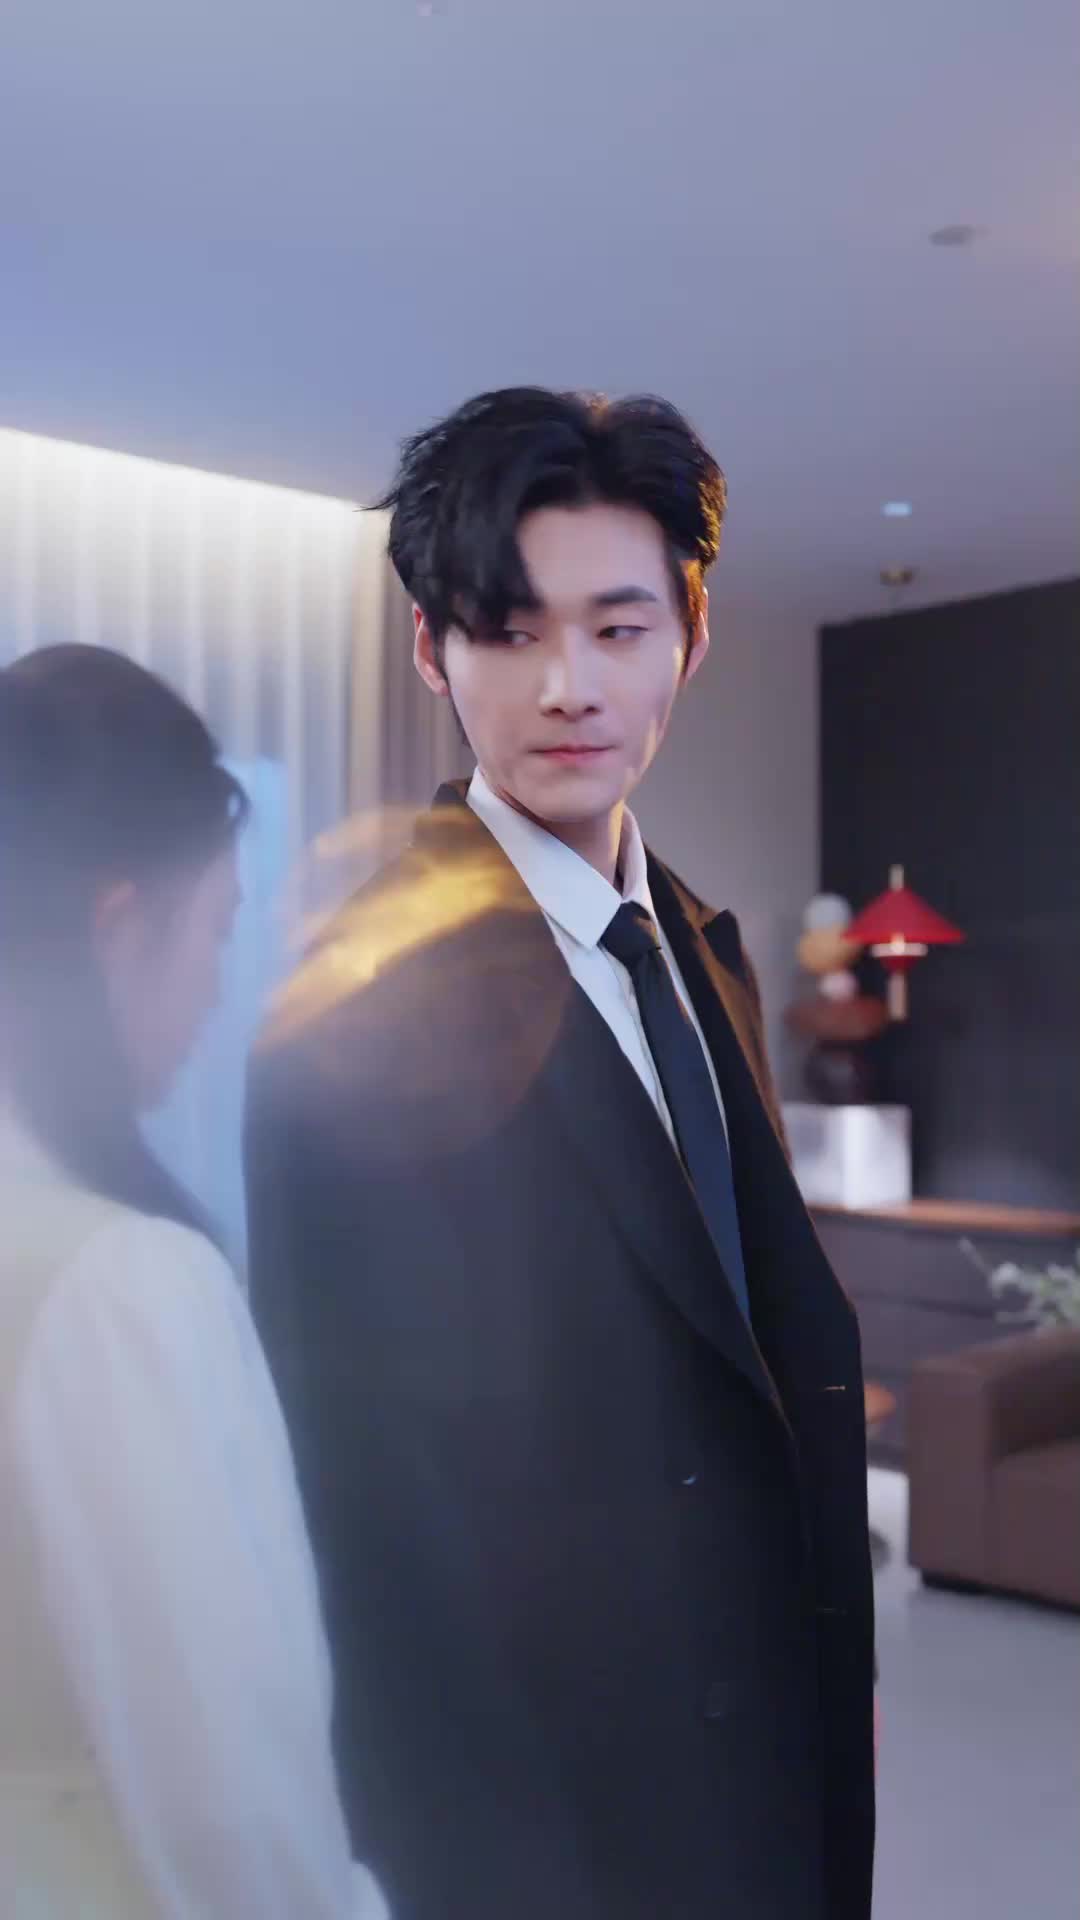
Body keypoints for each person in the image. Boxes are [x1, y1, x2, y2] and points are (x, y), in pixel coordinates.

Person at [246, 389, 876, 1920]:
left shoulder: (707, 946)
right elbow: (357, 1508)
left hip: (774, 1774)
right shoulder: (358, 999)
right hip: (558, 1824)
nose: (567, 687)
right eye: (507, 631)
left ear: (692, 635)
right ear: (431, 650)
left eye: (616, 628)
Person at [0, 646, 387, 1918]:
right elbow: (235, 1804)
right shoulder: (121, 1287)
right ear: (118, 926)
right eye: (217, 930)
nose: (221, 987)